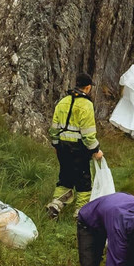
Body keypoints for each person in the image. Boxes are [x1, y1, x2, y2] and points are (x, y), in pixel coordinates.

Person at [46, 72, 103, 219]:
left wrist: (56, 145)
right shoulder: (87, 105)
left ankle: (55, 205)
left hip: (63, 147)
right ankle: (81, 212)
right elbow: (88, 133)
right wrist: (95, 150)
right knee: (83, 179)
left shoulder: (63, 102)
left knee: (65, 176)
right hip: (79, 148)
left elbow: (54, 128)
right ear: (88, 87)